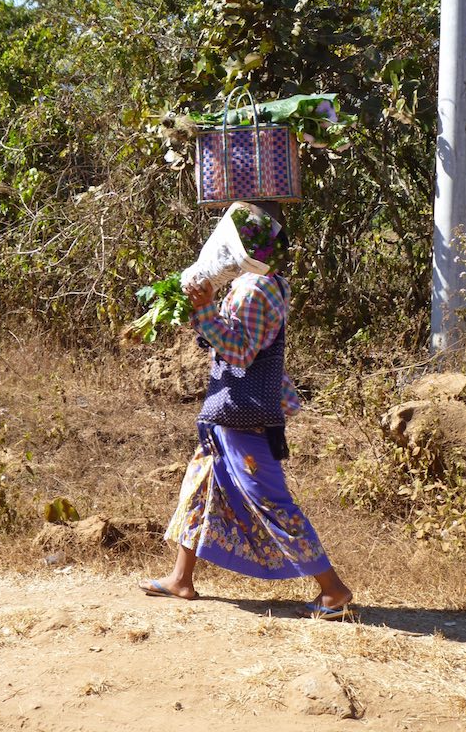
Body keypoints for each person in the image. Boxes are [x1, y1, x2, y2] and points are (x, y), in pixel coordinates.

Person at [139, 202, 355, 621]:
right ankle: (181, 579)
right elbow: (225, 338)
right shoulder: (256, 282)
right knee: (200, 488)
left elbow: (239, 350)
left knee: (270, 501)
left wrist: (204, 309)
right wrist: (204, 309)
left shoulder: (256, 289)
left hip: (244, 411)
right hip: (228, 412)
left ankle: (333, 590)